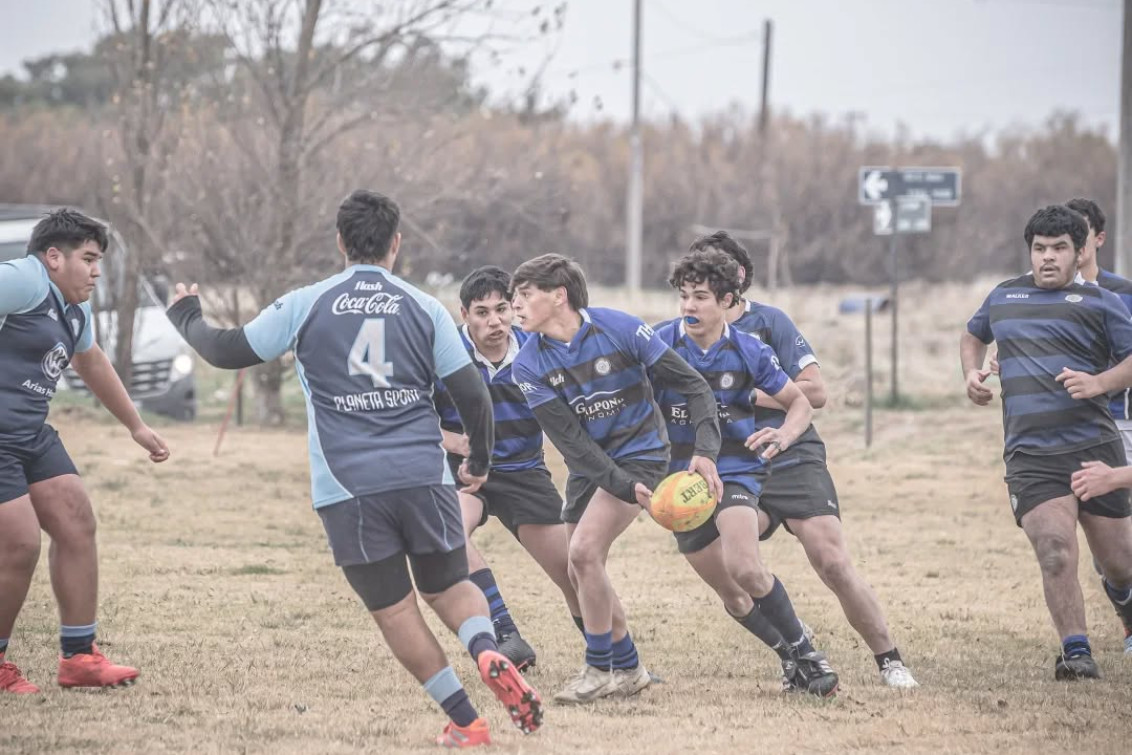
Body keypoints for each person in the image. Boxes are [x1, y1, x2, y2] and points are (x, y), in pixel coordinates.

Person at [165, 190, 541, 747]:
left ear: (340, 242)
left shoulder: (306, 303)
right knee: (449, 586)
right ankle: (487, 650)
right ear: (396, 244)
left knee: (396, 610)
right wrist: (479, 462)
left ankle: (466, 720)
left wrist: (186, 314)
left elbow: (226, 351)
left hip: (348, 487)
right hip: (424, 477)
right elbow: (473, 396)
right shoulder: (424, 306)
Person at [673, 231, 918, 689]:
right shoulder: (677, 337)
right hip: (730, 460)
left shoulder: (769, 325)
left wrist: (749, 397)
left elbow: (816, 393)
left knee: (830, 559)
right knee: (733, 572)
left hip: (788, 453)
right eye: (690, 284)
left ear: (735, 280)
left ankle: (890, 660)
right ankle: (796, 651)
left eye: (709, 280)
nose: (692, 298)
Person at [509, 253, 723, 704]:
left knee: (585, 552)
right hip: (593, 467)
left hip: (643, 453)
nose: (516, 306)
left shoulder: (620, 327)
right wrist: (619, 485)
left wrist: (704, 452)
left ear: (558, 296)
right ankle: (629, 667)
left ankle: (597, 669)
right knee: (581, 566)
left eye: (525, 295)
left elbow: (695, 386)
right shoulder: (527, 364)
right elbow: (571, 444)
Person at [654, 249, 840, 697]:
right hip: (681, 481)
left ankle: (807, 652)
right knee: (733, 596)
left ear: (727, 301)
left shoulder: (748, 349)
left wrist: (785, 436)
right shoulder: (658, 344)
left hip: (735, 468)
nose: (689, 306)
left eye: (700, 297)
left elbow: (800, 403)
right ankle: (788, 657)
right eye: (684, 296)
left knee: (745, 568)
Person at [0, 208, 169, 694]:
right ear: (53, 257)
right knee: (19, 542)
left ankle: (79, 658)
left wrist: (136, 426)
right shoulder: (25, 280)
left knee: (76, 518)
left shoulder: (74, 309)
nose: (97, 271)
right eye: (89, 259)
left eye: (100, 261)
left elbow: (91, 361)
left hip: (29, 432)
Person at [960, 204, 1132, 680]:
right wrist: (971, 373)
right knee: (1055, 548)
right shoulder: (1004, 296)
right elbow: (973, 336)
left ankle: (1126, 607)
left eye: (1059, 249)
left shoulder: (1102, 303)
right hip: (1030, 453)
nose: (1048, 258)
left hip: (1093, 446)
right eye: (1040, 249)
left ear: (1081, 252)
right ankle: (1076, 652)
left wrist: (1099, 383)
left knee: (1119, 564)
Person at [433, 265, 582, 670]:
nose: (495, 321)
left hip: (523, 471)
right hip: (464, 473)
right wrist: (452, 440)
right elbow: (409, 411)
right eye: (482, 312)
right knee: (448, 535)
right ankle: (506, 635)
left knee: (575, 571)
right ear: (464, 314)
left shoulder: (539, 350)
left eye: (502, 309)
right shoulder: (443, 352)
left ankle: (615, 658)